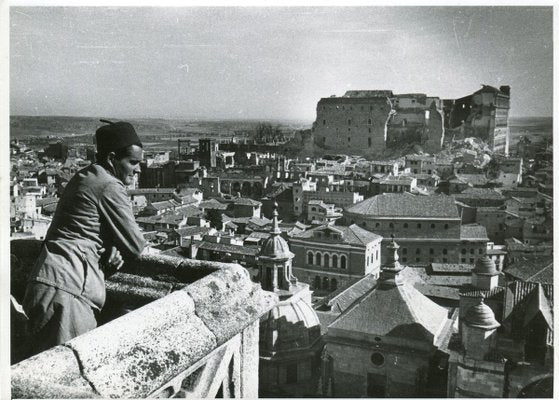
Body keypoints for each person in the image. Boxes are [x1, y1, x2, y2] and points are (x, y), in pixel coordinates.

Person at [23, 120, 146, 354]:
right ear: (111, 159)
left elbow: (83, 227)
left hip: (51, 283)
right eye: (133, 162)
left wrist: (108, 244)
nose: (138, 170)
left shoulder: (85, 176)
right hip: (67, 293)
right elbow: (137, 247)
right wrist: (117, 244)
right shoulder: (109, 185)